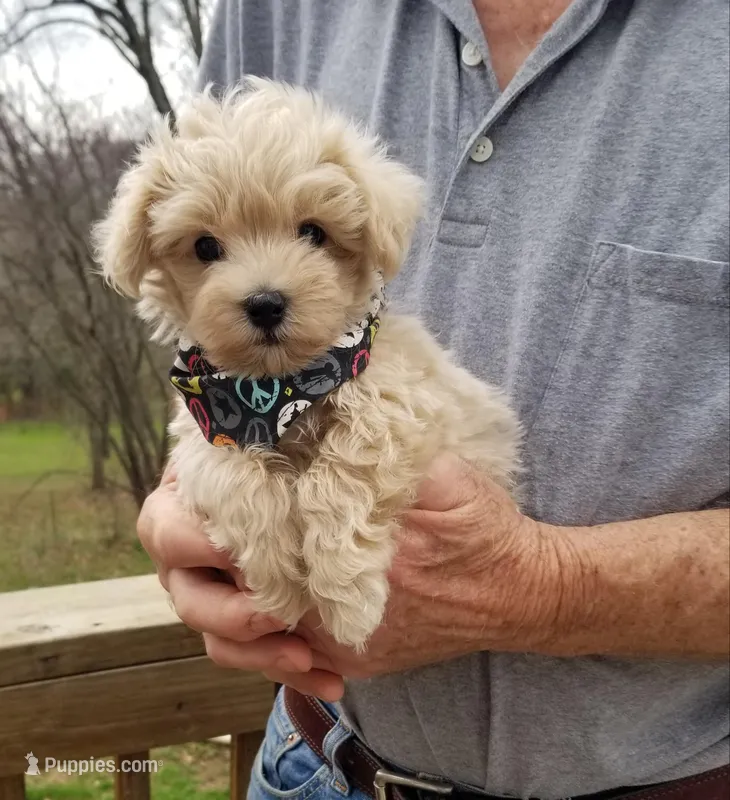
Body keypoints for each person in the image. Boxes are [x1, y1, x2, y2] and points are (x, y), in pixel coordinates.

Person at [138, 1, 730, 798]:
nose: (262, 282)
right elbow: (207, 391)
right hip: (316, 760)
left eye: (312, 233)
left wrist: (540, 586)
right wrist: (193, 516)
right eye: (211, 249)